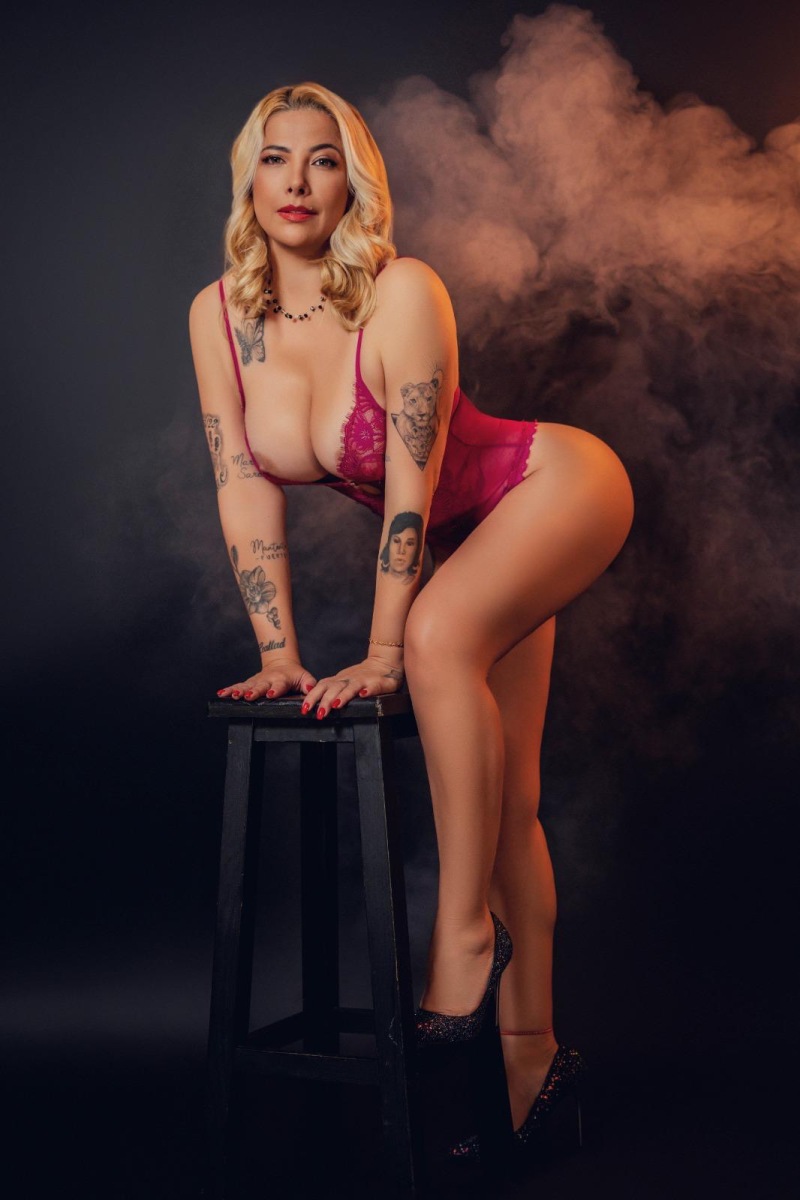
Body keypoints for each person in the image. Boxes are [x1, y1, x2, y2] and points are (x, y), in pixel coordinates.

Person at [189, 82, 634, 1158]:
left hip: (553, 487)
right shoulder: (219, 315)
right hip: (471, 542)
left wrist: (388, 646)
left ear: (354, 182)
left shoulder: (401, 292)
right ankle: (532, 1074)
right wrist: (280, 652)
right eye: (275, 158)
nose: (298, 182)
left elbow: (410, 486)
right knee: (509, 801)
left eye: (324, 159)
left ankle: (463, 936)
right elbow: (239, 480)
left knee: (436, 640)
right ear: (248, 178)